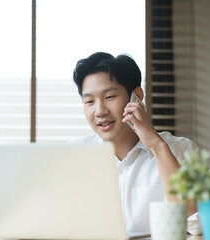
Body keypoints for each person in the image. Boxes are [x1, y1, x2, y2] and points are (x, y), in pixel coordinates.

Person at [71, 52, 201, 237]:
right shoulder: (73, 156)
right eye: (90, 101)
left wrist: (157, 146)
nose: (99, 111)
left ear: (137, 96)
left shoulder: (181, 151)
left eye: (109, 97)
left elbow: (196, 225)